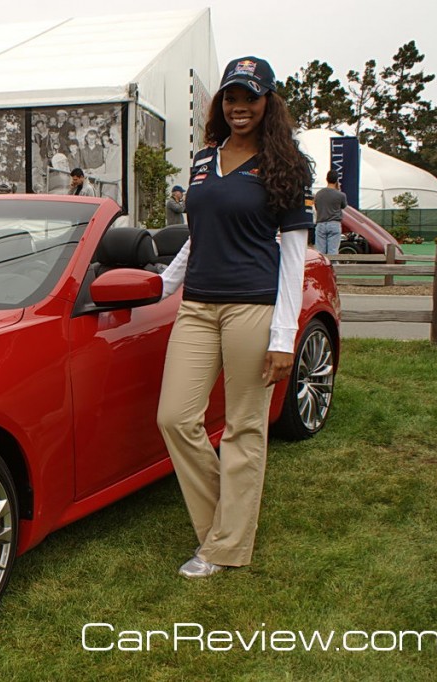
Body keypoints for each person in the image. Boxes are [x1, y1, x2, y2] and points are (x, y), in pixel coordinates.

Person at [155, 56, 314, 579]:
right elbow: (200, 233)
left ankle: (224, 547)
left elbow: (293, 257)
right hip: (197, 307)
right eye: (231, 97)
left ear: (268, 102)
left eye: (249, 96)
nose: (239, 106)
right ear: (220, 104)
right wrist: (164, 284)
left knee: (244, 428)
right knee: (175, 418)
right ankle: (226, 524)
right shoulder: (203, 159)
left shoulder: (286, 165)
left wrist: (285, 336)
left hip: (254, 306)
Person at [314, 170, 348, 255]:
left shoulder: (318, 194)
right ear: (337, 180)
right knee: (333, 252)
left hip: (321, 223)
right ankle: (333, 267)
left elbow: (317, 207)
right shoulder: (341, 195)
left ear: (326, 179)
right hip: (334, 223)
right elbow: (343, 206)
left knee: (320, 253)